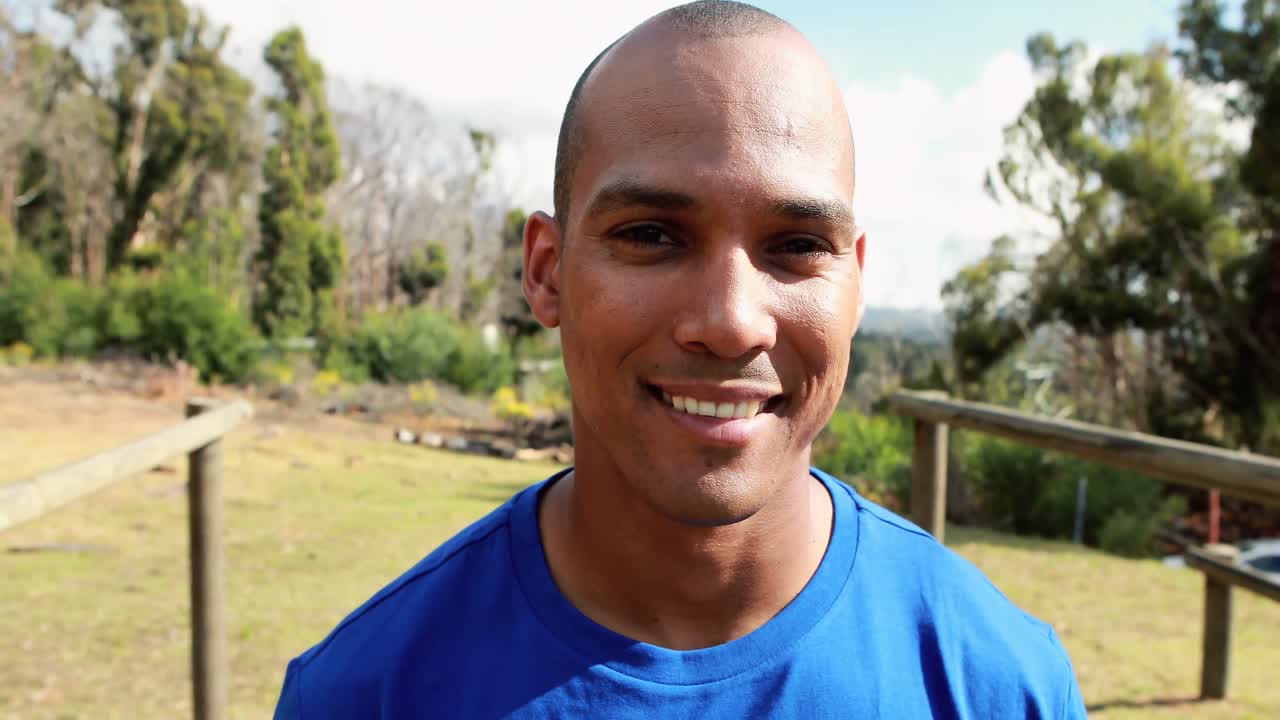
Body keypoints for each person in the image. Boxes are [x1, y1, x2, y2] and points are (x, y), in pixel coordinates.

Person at [273, 2, 1087, 717]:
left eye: (798, 246)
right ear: (547, 273)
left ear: (856, 284)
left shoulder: (996, 686)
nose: (732, 323)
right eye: (652, 236)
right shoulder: (368, 693)